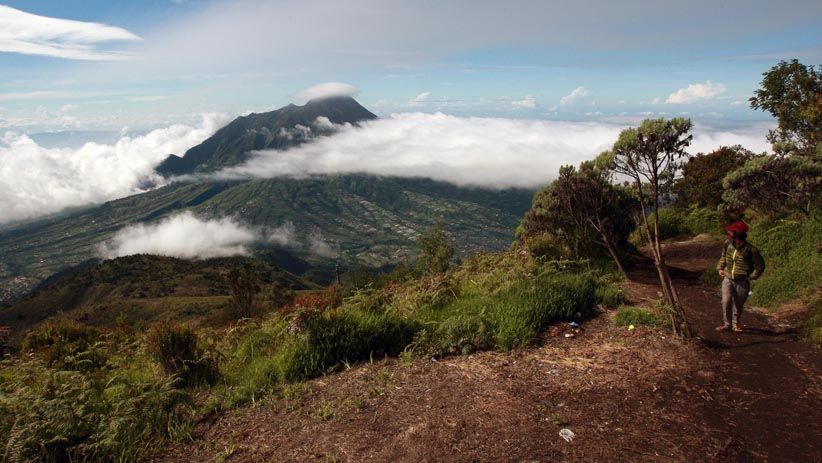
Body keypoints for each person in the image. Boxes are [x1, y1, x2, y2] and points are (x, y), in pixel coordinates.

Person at [715, 220, 765, 332]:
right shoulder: (727, 244)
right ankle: (727, 324)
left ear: (736, 234)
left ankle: (735, 324)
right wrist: (720, 268)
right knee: (726, 301)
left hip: (742, 281)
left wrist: (752, 277)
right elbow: (723, 257)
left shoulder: (751, 250)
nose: (729, 233)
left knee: (738, 304)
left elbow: (760, 265)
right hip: (728, 278)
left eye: (731, 231)